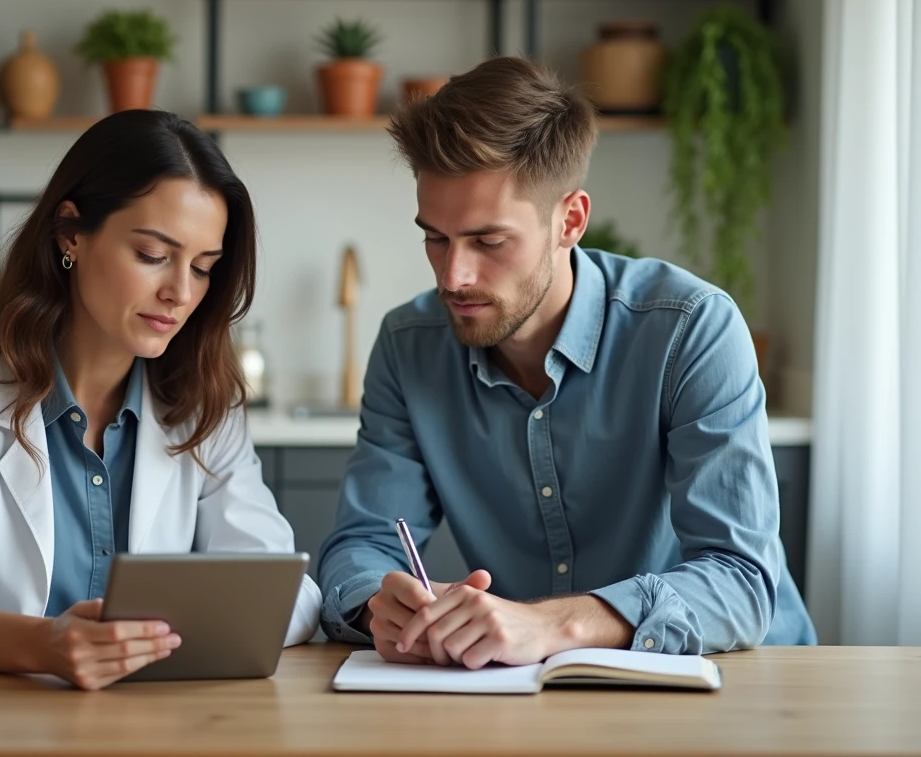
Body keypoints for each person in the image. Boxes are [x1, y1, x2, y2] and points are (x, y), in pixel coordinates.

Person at [317, 56, 816, 669]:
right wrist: (377, 602)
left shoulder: (691, 329)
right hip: (527, 687)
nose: (454, 275)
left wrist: (555, 624)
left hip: (746, 678)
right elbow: (362, 543)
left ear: (570, 220)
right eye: (435, 237)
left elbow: (741, 581)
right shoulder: (408, 343)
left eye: (488, 241)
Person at [0, 110, 321, 689]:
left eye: (203, 268)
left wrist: (149, 640)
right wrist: (41, 645)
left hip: (155, 728)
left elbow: (286, 594)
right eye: (152, 255)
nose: (180, 293)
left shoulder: (202, 409)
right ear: (71, 234)